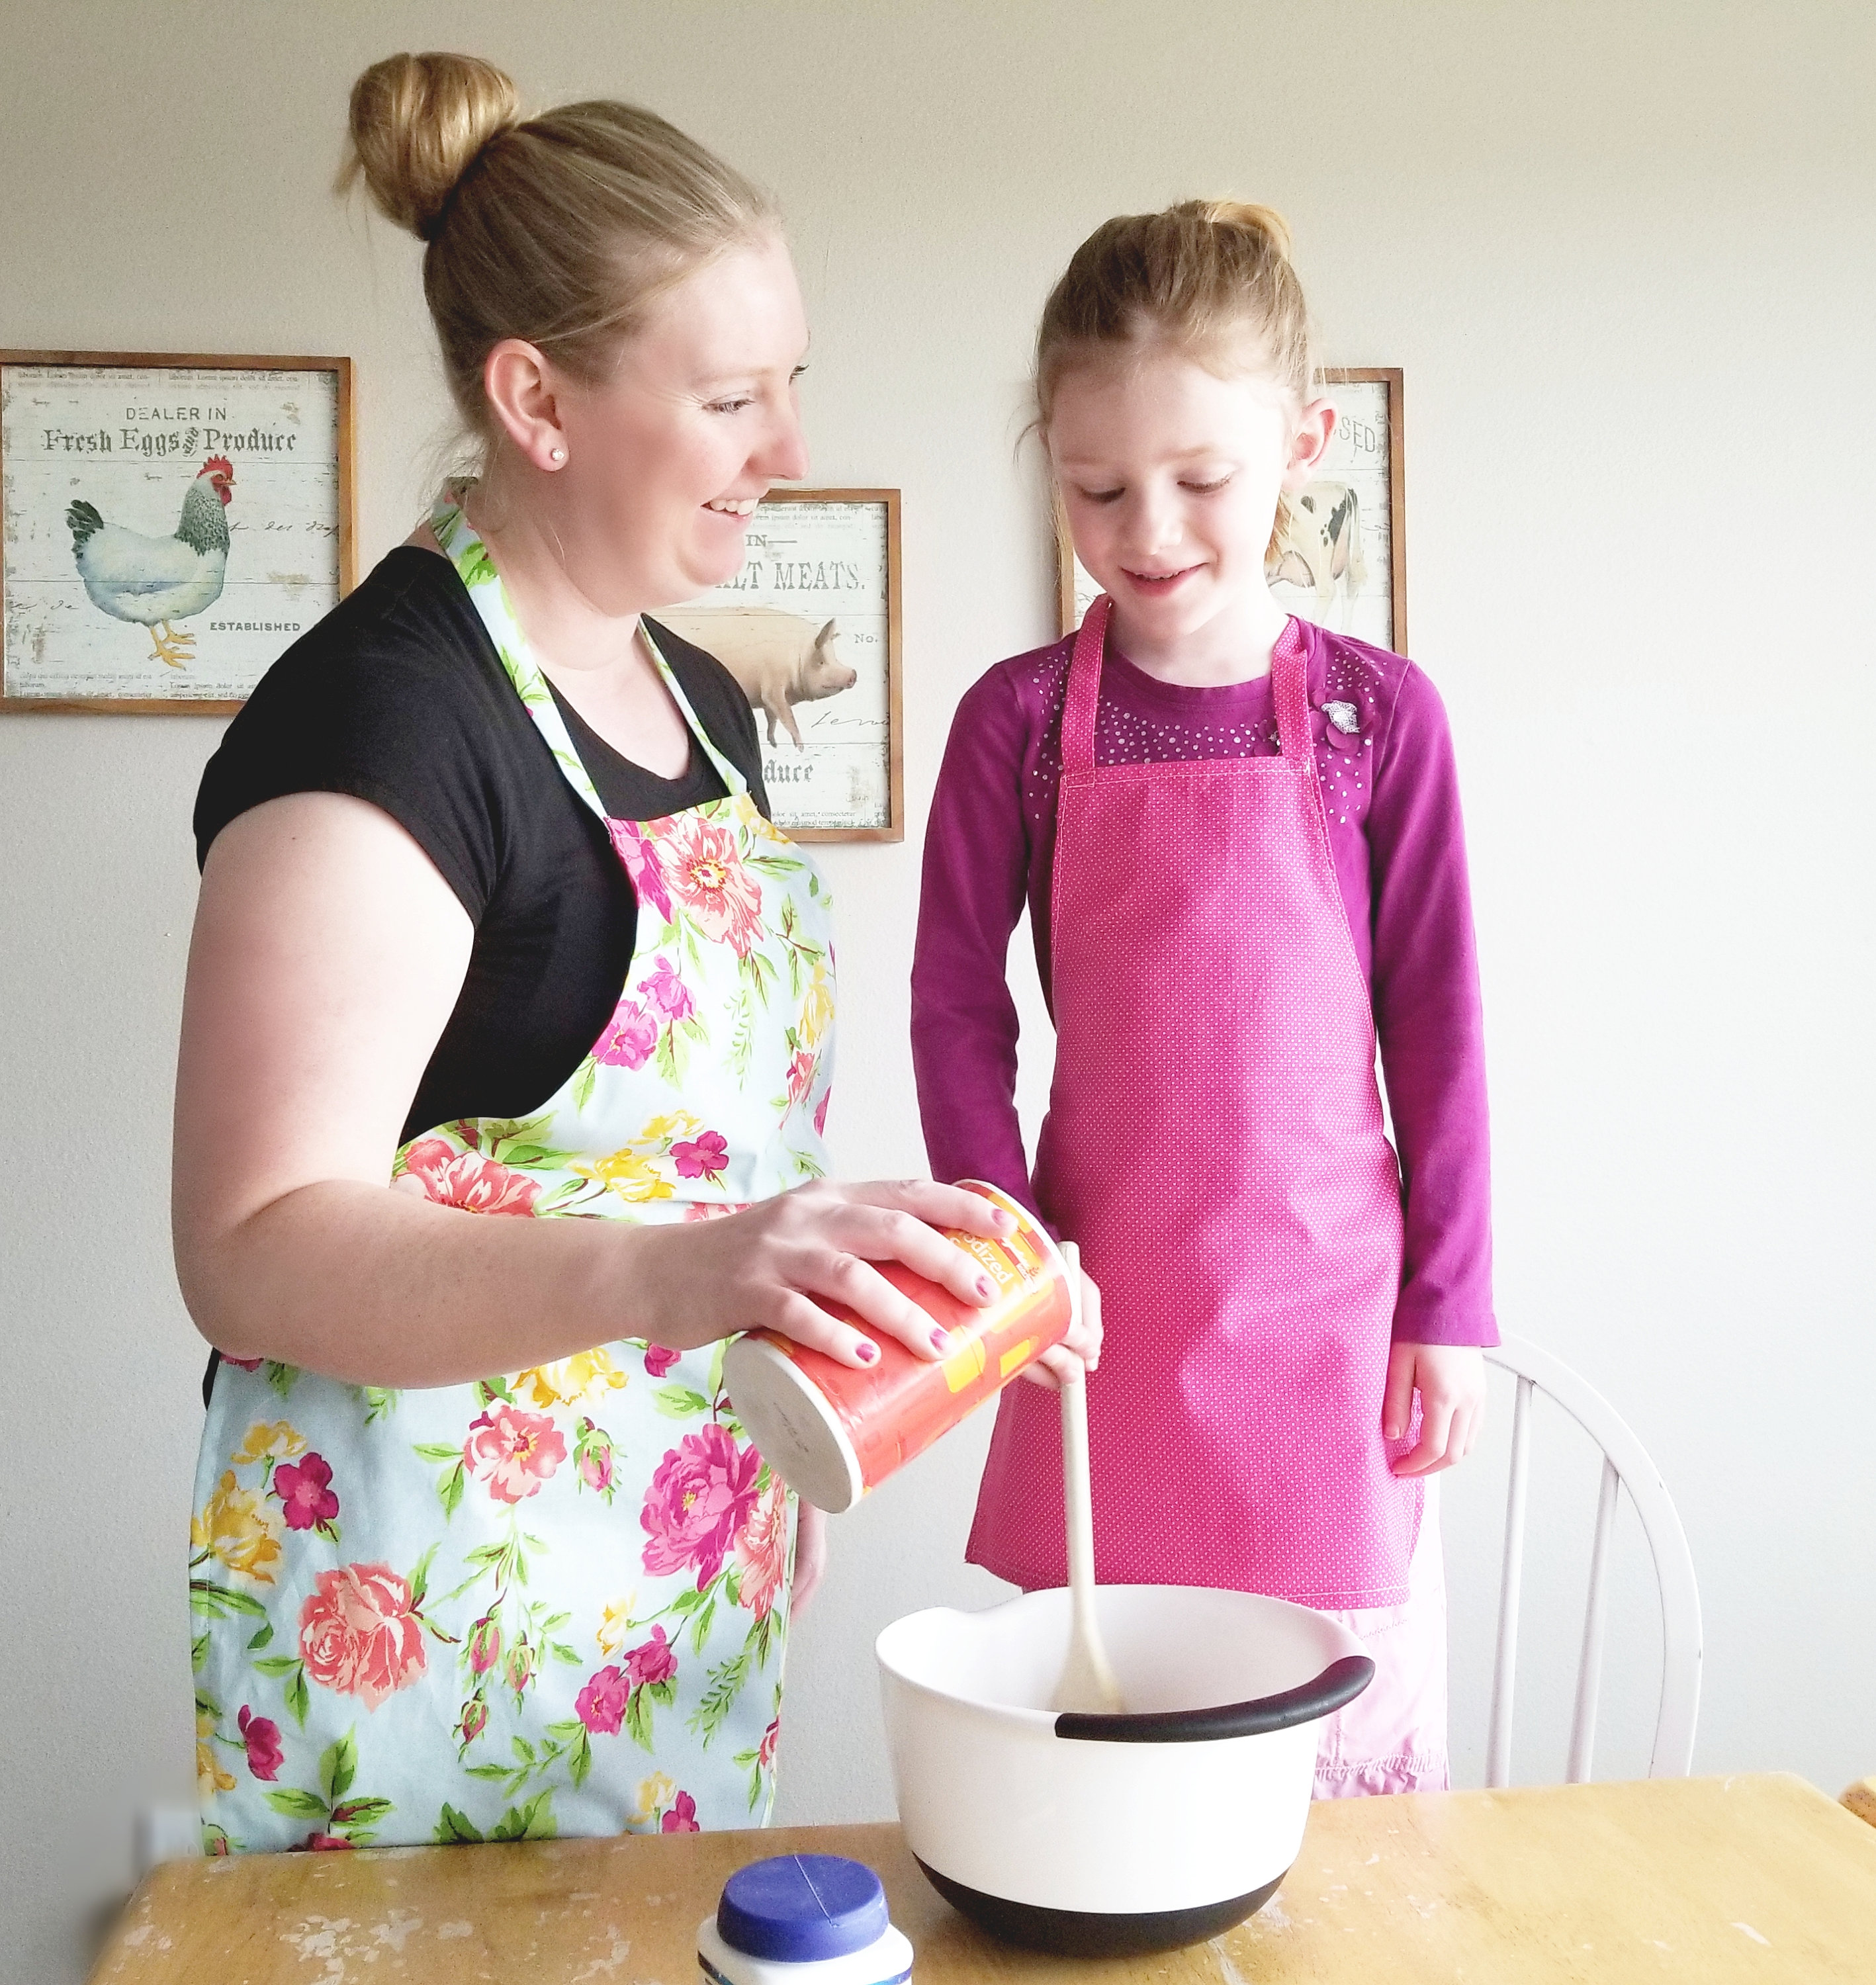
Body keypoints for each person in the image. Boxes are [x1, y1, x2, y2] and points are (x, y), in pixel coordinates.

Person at [175, 51, 1094, 1855]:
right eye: (734, 397)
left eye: (790, 387)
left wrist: (813, 1352)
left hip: (670, 1604)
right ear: (538, 400)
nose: (792, 453)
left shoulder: (693, 698)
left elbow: (705, 1158)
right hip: (418, 1654)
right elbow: (251, 1250)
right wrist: (695, 1279)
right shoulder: (384, 727)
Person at [912, 200, 1496, 1796]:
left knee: (1339, 1788)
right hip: (1093, 1321)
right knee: (1111, 1775)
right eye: (1096, 489)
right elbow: (957, 1005)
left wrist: (1448, 1302)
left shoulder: (1382, 717)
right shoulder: (1015, 724)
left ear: (1303, 443)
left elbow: (1433, 1025)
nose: (1147, 528)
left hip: (1326, 1328)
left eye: (1199, 482)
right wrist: (1001, 1252)